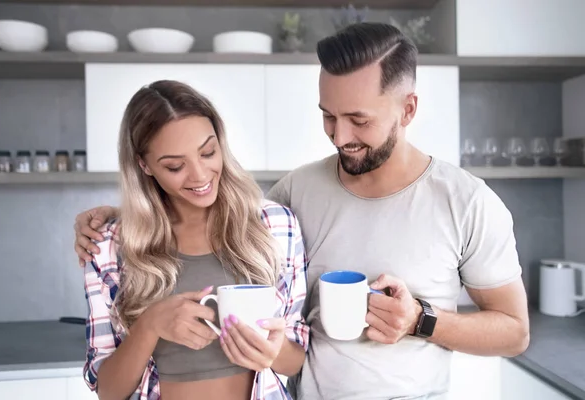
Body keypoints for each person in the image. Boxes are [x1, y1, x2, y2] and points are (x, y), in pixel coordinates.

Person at [74, 23, 530, 400]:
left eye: (359, 119)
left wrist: (422, 321)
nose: (339, 134)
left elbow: (514, 332)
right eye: (328, 115)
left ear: (407, 109)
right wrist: (117, 215)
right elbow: (214, 209)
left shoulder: (467, 202)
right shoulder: (297, 192)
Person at [80, 79, 309, 400]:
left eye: (208, 152)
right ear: (144, 165)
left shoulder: (275, 225)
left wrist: (272, 352)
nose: (200, 175)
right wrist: (150, 325)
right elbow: (108, 391)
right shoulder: (107, 245)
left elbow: (297, 359)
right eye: (175, 166)